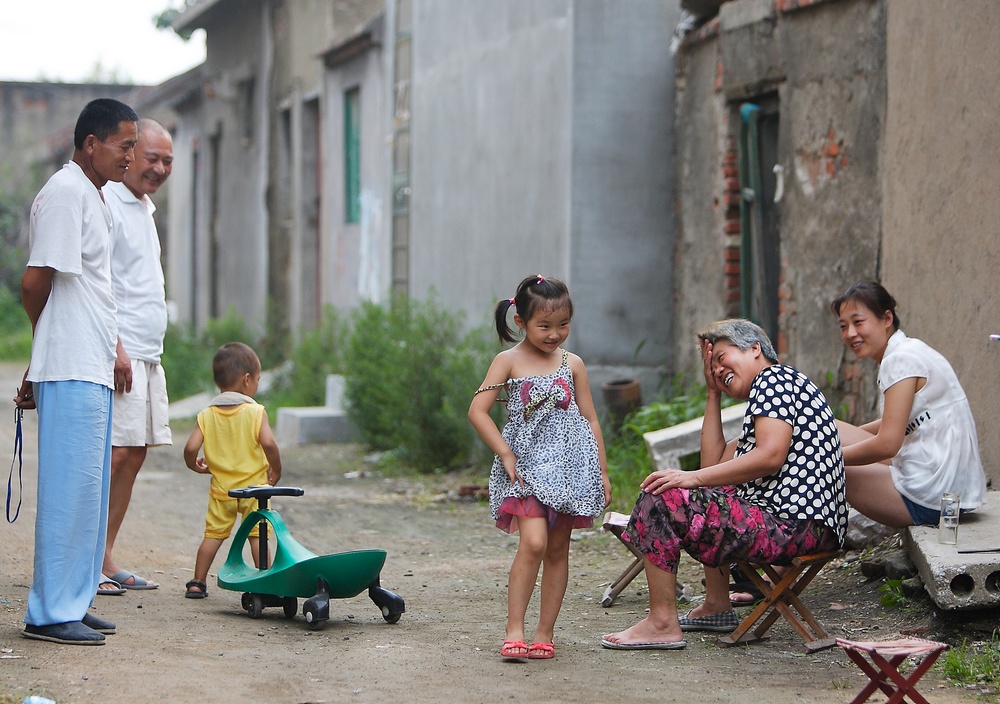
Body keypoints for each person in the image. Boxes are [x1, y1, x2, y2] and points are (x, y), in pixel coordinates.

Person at [601, 319, 847, 650]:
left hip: (795, 524)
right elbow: (713, 465)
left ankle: (661, 623)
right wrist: (712, 392)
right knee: (700, 490)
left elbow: (770, 456)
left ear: (755, 349)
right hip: (803, 524)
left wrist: (689, 479)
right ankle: (717, 605)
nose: (717, 369)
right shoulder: (777, 390)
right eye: (712, 365)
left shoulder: (775, 380)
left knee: (662, 497)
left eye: (722, 357)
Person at [14, 98, 138, 645]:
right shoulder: (67, 192)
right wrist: (46, 345)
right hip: (69, 361)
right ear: (91, 143)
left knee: (89, 490)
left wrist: (106, 346)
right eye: (124, 146)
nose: (131, 157)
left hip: (88, 360)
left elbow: (92, 288)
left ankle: (74, 599)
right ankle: (48, 613)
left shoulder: (95, 195)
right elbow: (34, 281)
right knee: (68, 491)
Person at [468, 274, 611, 661]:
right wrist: (506, 453)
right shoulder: (507, 361)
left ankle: (544, 632)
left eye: (562, 325)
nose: (554, 334)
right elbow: (477, 411)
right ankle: (514, 628)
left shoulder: (572, 363)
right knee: (533, 542)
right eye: (544, 326)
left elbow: (590, 418)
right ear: (521, 322)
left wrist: (601, 470)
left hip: (570, 468)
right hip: (526, 468)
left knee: (559, 550)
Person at [831, 281, 987, 527]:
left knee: (833, 471)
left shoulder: (900, 360)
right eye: (843, 326)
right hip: (952, 490)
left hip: (935, 497)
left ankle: (791, 546)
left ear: (886, 319)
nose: (851, 333)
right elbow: (895, 421)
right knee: (829, 427)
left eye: (858, 322)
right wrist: (847, 436)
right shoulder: (909, 350)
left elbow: (888, 444)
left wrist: (825, 459)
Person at [99, 118, 175, 594]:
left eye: (167, 160)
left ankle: (103, 556)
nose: (159, 168)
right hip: (121, 350)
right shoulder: (108, 202)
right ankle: (85, 563)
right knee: (114, 454)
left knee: (135, 454)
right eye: (151, 157)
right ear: (129, 155)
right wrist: (117, 347)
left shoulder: (142, 207)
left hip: (149, 353)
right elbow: (99, 283)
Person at [182, 342, 282, 598]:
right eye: (258, 379)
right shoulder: (255, 412)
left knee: (213, 536)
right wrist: (276, 468)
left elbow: (191, 447)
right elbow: (269, 443)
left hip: (222, 491)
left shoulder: (207, 415)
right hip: (255, 490)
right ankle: (265, 580)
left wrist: (194, 464)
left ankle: (197, 582)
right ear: (247, 380)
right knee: (258, 535)